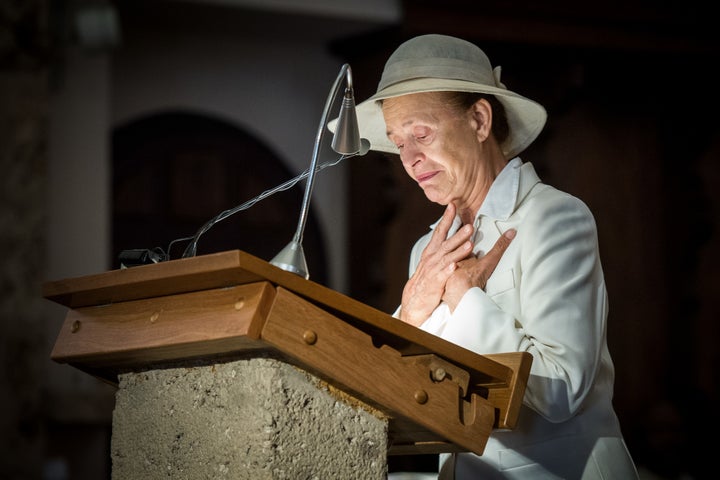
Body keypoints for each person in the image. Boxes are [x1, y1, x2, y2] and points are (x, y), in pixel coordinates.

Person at [352, 34, 639, 479]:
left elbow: (562, 390)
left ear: (480, 120)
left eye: (421, 134)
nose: (408, 159)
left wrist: (465, 301)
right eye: (397, 142)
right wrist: (410, 312)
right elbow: (408, 397)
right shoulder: (425, 256)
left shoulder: (555, 217)